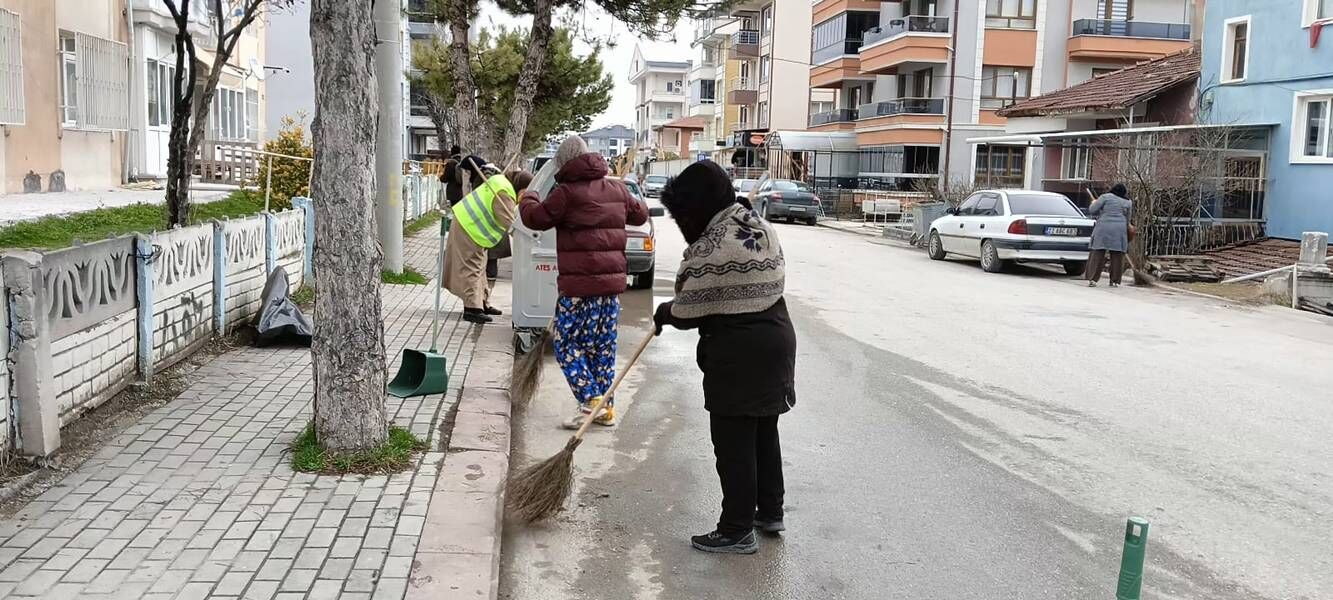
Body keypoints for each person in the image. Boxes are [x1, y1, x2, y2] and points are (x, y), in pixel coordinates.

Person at [652, 160, 797, 555]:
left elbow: (686, 310)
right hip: (777, 341)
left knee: (733, 443)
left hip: (740, 355)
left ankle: (735, 529)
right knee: (764, 434)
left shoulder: (712, 246)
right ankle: (769, 512)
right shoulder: (755, 224)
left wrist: (664, 313)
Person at [518, 135, 649, 429]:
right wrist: (625, 196)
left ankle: (591, 400)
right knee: (602, 347)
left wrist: (528, 196)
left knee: (565, 343)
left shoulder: (566, 193)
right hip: (611, 289)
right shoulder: (615, 187)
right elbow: (640, 215)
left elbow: (535, 219)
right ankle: (605, 409)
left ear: (563, 163)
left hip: (579, 290)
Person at [441, 156, 517, 323]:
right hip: (469, 226)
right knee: (472, 266)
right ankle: (472, 308)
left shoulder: (499, 184)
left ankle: (482, 302)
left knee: (480, 266)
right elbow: (510, 222)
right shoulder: (504, 192)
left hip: (470, 224)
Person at [1086, 183, 1134, 287]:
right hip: (1120, 229)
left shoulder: (1105, 197)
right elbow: (1128, 218)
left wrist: (1094, 202)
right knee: (1117, 255)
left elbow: (1092, 210)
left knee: (1098, 252)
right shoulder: (1128, 202)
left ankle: (1093, 279)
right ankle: (1115, 281)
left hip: (1103, 227)